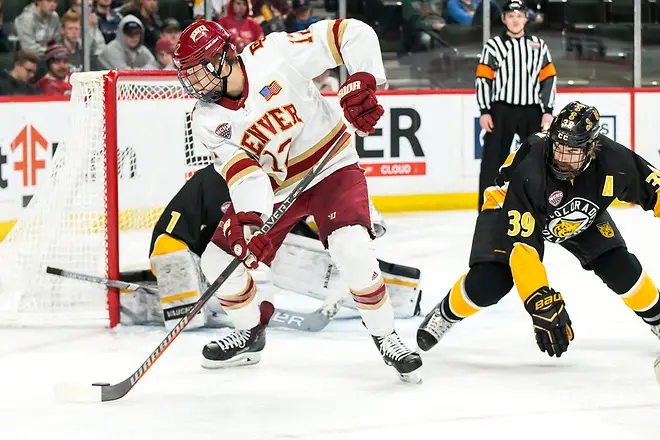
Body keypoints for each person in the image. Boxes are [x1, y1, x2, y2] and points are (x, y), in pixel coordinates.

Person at [172, 19, 423, 382]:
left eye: (198, 71)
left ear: (224, 57)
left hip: (330, 167)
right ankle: (250, 331)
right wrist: (250, 219)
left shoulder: (273, 53)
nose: (193, 83)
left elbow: (351, 32)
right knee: (217, 260)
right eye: (188, 74)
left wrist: (361, 78)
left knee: (351, 249)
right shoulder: (205, 118)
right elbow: (243, 172)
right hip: (276, 191)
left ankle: (387, 337)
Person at [417, 101, 660, 359]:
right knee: (490, 282)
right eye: (559, 147)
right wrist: (538, 299)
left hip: (576, 210)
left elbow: (655, 189)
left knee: (619, 265)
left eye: (572, 151)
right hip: (508, 203)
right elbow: (524, 247)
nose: (562, 158)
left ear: (591, 148)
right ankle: (445, 313)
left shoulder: (615, 160)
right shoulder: (531, 165)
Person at [146, 164, 421, 330]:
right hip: (211, 254)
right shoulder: (209, 182)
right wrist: (173, 271)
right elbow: (168, 237)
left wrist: (362, 218)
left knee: (311, 246)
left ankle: (394, 294)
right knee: (182, 256)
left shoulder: (282, 172)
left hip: (267, 244)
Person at [475, 0, 556, 211]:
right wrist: (484, 110)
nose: (515, 20)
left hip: (532, 110)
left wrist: (547, 111)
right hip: (501, 110)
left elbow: (548, 79)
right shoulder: (493, 46)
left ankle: (539, 205)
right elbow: (483, 79)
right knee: (493, 161)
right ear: (504, 19)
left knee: (537, 159)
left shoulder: (538, 45)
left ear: (526, 18)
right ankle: (488, 209)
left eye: (519, 16)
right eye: (511, 16)